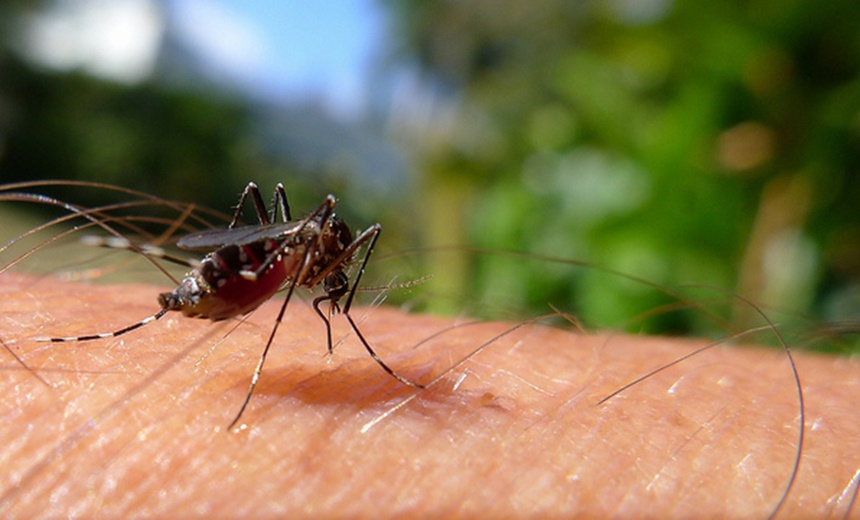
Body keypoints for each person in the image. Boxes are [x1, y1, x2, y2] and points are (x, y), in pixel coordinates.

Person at [1, 273, 858, 517]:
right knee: (288, 245)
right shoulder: (300, 256)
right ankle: (150, 322)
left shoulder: (330, 253)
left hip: (251, 279)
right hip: (233, 285)